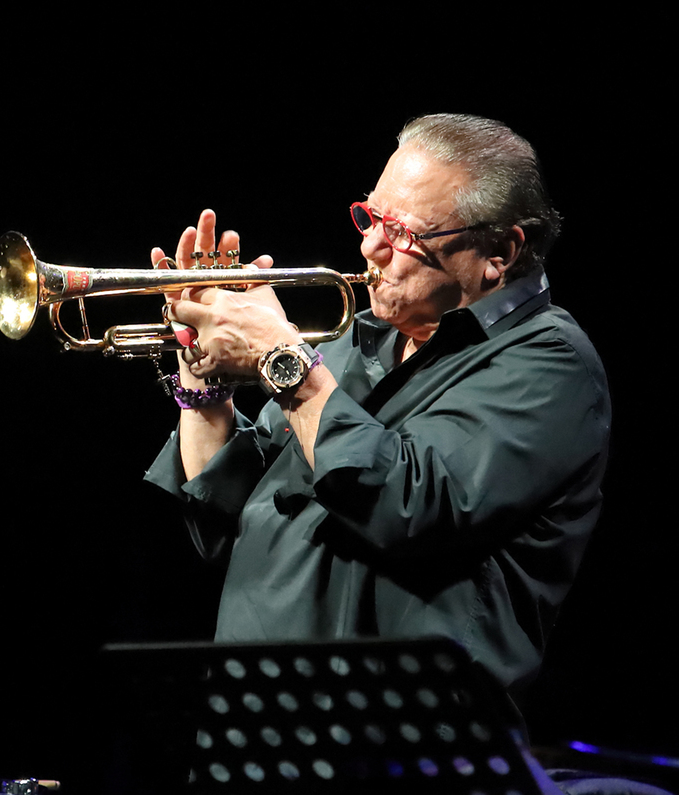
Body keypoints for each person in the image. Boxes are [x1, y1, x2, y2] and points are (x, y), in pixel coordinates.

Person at [144, 113, 611, 704]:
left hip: (398, 748)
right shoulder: (353, 344)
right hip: (256, 724)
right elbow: (225, 515)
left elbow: (409, 506)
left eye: (405, 233)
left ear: (499, 252)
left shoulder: (550, 364)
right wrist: (201, 378)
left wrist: (280, 357)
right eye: (371, 217)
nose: (371, 246)